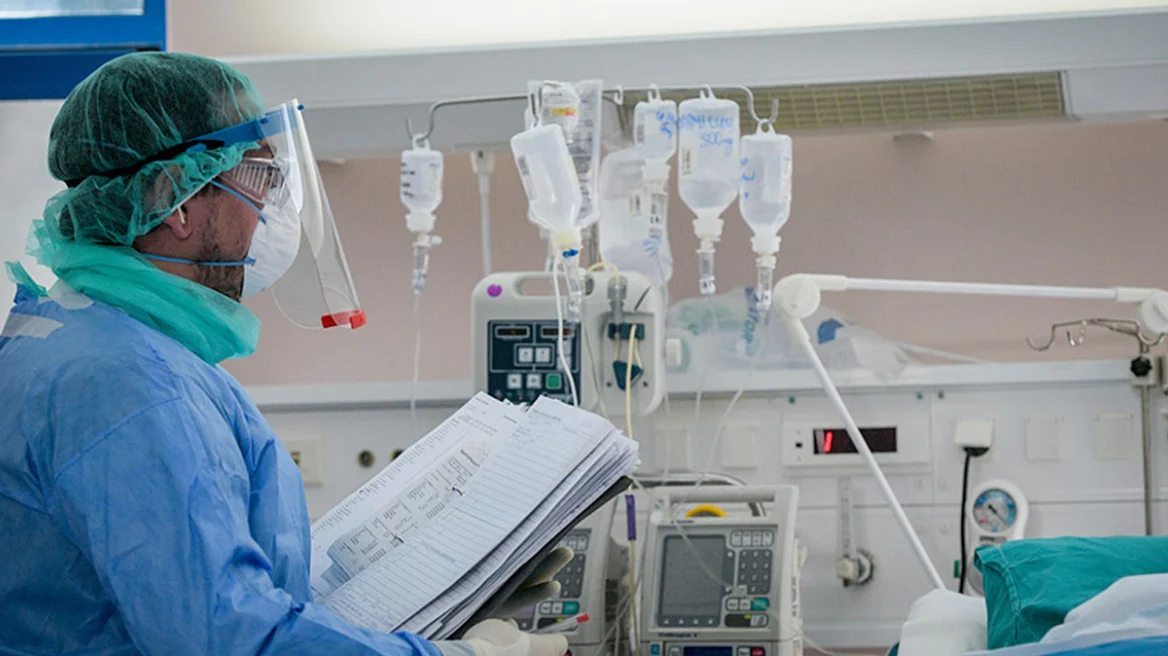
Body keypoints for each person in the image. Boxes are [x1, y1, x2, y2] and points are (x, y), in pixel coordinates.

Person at [0, 52, 568, 656]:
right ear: (175, 200)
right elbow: (226, 638)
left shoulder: (76, 335)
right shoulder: (131, 385)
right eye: (259, 178)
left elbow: (212, 591)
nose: (273, 210)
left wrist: (449, 595)